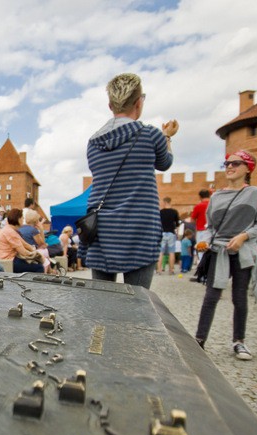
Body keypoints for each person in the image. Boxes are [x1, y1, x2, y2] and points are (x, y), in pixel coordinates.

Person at [83, 72, 179, 288]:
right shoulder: (150, 135)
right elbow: (165, 162)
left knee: (100, 299)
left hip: (101, 228)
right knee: (138, 300)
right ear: (139, 103)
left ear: (110, 105)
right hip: (139, 227)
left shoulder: (93, 143)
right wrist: (167, 137)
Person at [194, 150, 257, 360]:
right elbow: (211, 227)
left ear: (248, 168)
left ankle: (239, 341)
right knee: (211, 296)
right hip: (219, 250)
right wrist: (205, 240)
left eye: (236, 163)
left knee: (239, 297)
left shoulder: (255, 193)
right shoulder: (216, 196)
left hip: (243, 251)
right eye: (227, 163)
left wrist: (244, 236)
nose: (229, 167)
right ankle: (199, 340)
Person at [0, 209, 45, 273]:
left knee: (35, 264)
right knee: (39, 267)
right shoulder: (10, 232)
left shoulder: (9, 229)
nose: (23, 220)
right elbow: (23, 252)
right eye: (22, 218)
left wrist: (33, 250)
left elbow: (25, 244)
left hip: (9, 259)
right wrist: (37, 255)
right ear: (18, 219)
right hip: (8, 261)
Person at [157, 197, 180, 274]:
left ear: (165, 202)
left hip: (162, 233)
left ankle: (159, 270)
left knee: (160, 252)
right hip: (171, 233)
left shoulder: (160, 212)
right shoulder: (174, 212)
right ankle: (171, 270)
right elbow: (177, 225)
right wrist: (177, 234)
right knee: (171, 252)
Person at [191, 189, 212, 262]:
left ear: (200, 197)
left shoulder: (198, 206)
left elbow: (192, 220)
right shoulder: (213, 204)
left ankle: (202, 266)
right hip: (213, 231)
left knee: (201, 251)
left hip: (201, 231)